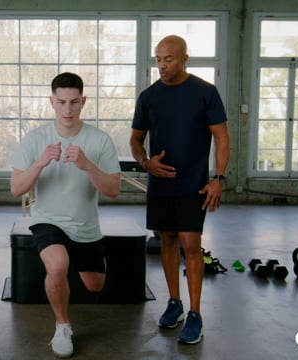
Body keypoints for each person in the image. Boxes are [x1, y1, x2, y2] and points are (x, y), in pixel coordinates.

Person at [10, 72, 121, 358]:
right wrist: (40, 163)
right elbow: (15, 188)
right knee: (58, 266)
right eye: (61, 102)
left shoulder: (99, 140)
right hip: (48, 220)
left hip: (85, 226)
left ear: (83, 101)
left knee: (94, 285)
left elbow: (113, 190)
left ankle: (86, 259)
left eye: (74, 102)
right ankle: (62, 326)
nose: (68, 109)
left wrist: (87, 166)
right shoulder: (35, 140)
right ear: (52, 102)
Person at [129, 35, 231, 344]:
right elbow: (135, 140)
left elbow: (222, 137)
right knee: (168, 241)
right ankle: (175, 303)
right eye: (158, 59)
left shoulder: (205, 93)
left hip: (193, 184)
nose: (161, 64)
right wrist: (146, 163)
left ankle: (196, 314)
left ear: (185, 58)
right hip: (161, 184)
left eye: (168, 59)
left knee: (191, 244)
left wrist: (219, 178)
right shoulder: (148, 97)